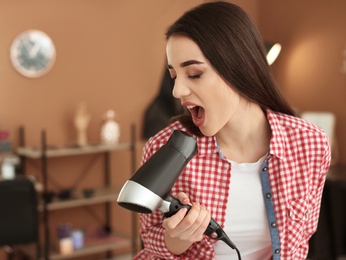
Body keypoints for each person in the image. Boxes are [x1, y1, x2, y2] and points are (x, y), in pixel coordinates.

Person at [134, 1, 331, 260]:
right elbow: (151, 241)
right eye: (174, 76)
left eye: (194, 74)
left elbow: (299, 242)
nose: (177, 91)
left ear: (240, 67)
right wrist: (176, 238)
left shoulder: (310, 144)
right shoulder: (165, 149)